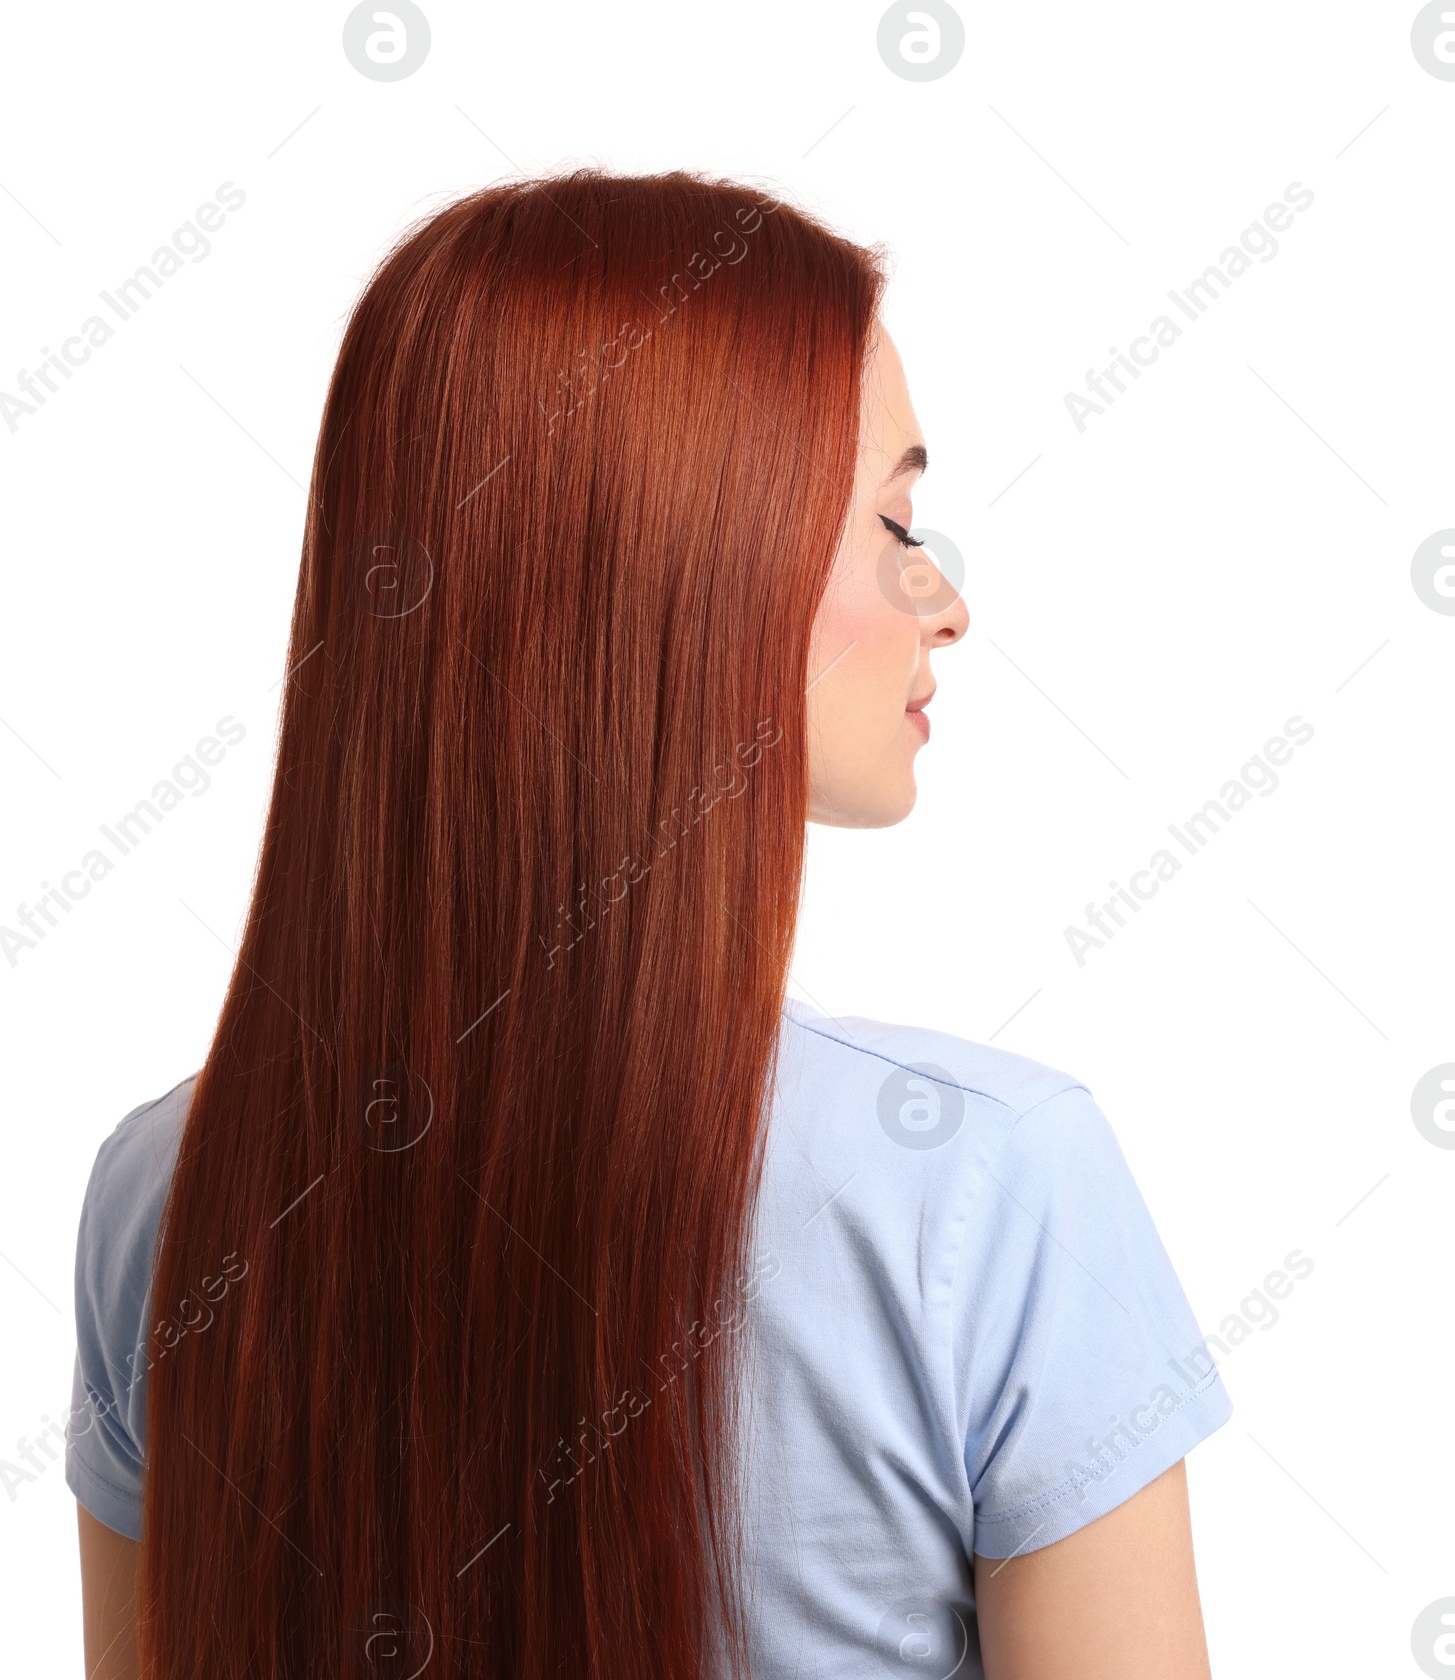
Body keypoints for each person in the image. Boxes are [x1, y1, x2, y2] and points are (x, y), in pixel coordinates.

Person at [67, 168, 1230, 1679]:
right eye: (893, 517)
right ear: (686, 564)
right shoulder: (989, 1187)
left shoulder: (165, 1200)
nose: (944, 600)